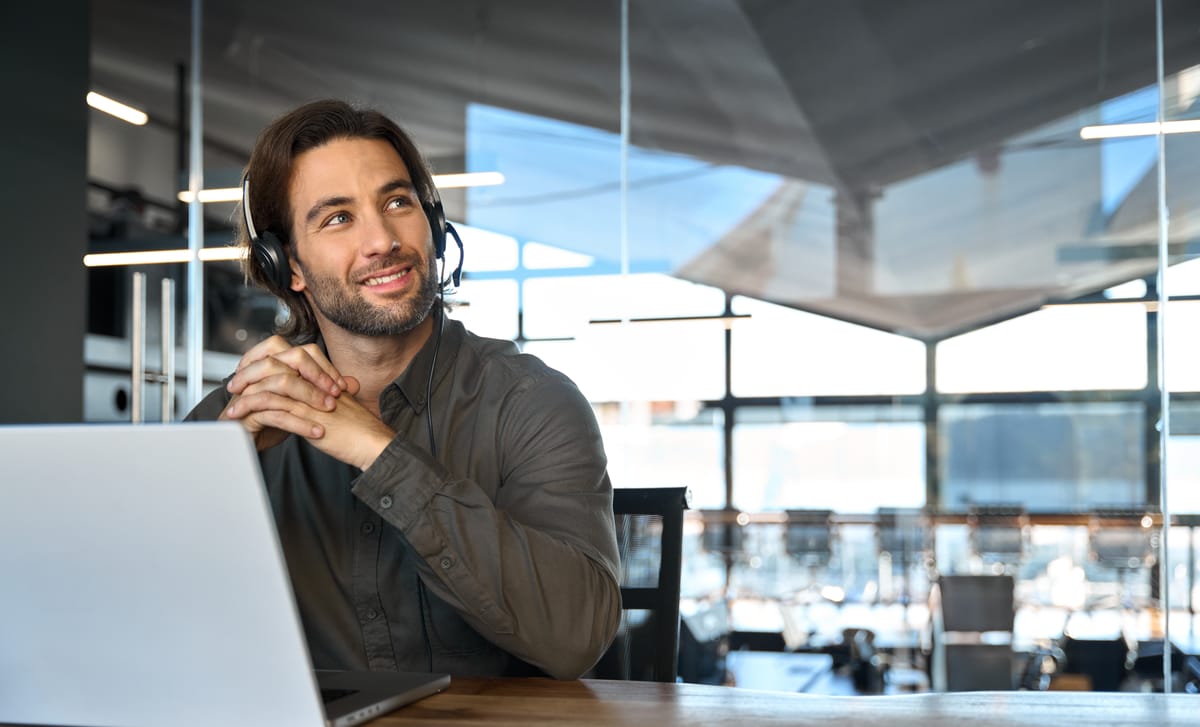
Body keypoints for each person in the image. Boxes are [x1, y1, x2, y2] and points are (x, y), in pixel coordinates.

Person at [186, 99, 620, 680]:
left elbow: (576, 638)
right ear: (287, 264)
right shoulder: (238, 415)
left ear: (435, 225)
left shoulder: (532, 403)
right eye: (337, 218)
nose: (382, 240)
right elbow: (139, 631)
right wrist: (213, 481)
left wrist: (379, 452)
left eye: (397, 202)